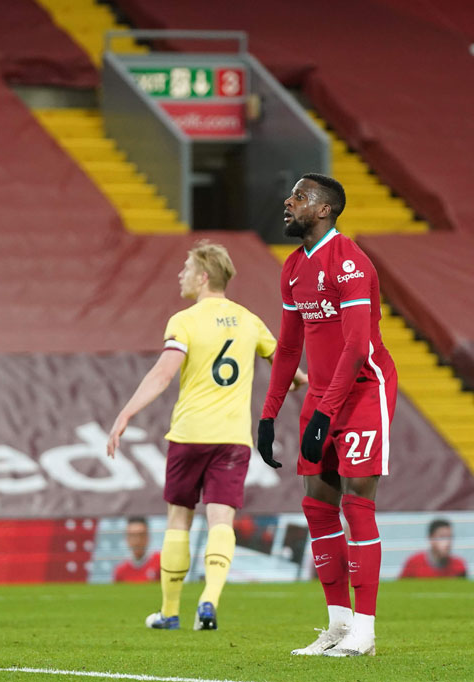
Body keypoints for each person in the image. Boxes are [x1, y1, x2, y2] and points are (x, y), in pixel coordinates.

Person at [106, 240, 306, 631]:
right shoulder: (249, 320)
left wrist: (126, 412)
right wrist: (301, 380)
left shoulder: (185, 321)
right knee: (221, 521)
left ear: (202, 276)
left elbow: (164, 374)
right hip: (233, 438)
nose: (180, 275)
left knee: (179, 519)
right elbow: (282, 360)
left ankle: (169, 612)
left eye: (185, 269)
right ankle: (210, 601)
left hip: (190, 433)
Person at [257, 174, 397, 657]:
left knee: (358, 499)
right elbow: (289, 347)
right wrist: (269, 415)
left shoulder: (351, 262)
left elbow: (358, 347)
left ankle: (366, 629)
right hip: (321, 395)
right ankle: (337, 624)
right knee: (317, 505)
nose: (287, 202)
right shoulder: (293, 267)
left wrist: (326, 413)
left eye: (298, 197)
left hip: (362, 391)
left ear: (324, 210)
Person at [400, 519, 468, 578]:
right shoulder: (414, 563)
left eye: (450, 537)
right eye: (442, 537)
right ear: (431, 538)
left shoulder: (459, 566)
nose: (448, 542)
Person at [113, 517, 161, 583]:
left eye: (141, 535)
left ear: (148, 537)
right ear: (127, 538)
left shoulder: (161, 562)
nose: (137, 541)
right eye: (133, 535)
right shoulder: (121, 571)